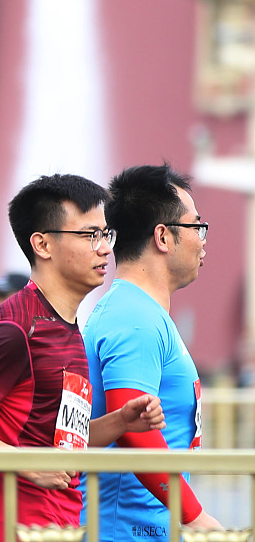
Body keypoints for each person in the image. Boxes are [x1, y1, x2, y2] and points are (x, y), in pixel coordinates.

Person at [0, 174, 166, 542]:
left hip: (60, 527)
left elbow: (59, 441)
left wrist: (120, 421)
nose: (104, 249)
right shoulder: (16, 328)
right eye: (89, 236)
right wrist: (26, 464)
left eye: (106, 235)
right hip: (8, 530)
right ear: (43, 245)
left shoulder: (68, 328)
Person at [80, 164, 223, 538]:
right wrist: (195, 516)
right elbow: (133, 427)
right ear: (163, 236)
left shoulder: (137, 312)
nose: (203, 240)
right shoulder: (135, 318)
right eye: (196, 227)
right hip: (121, 531)